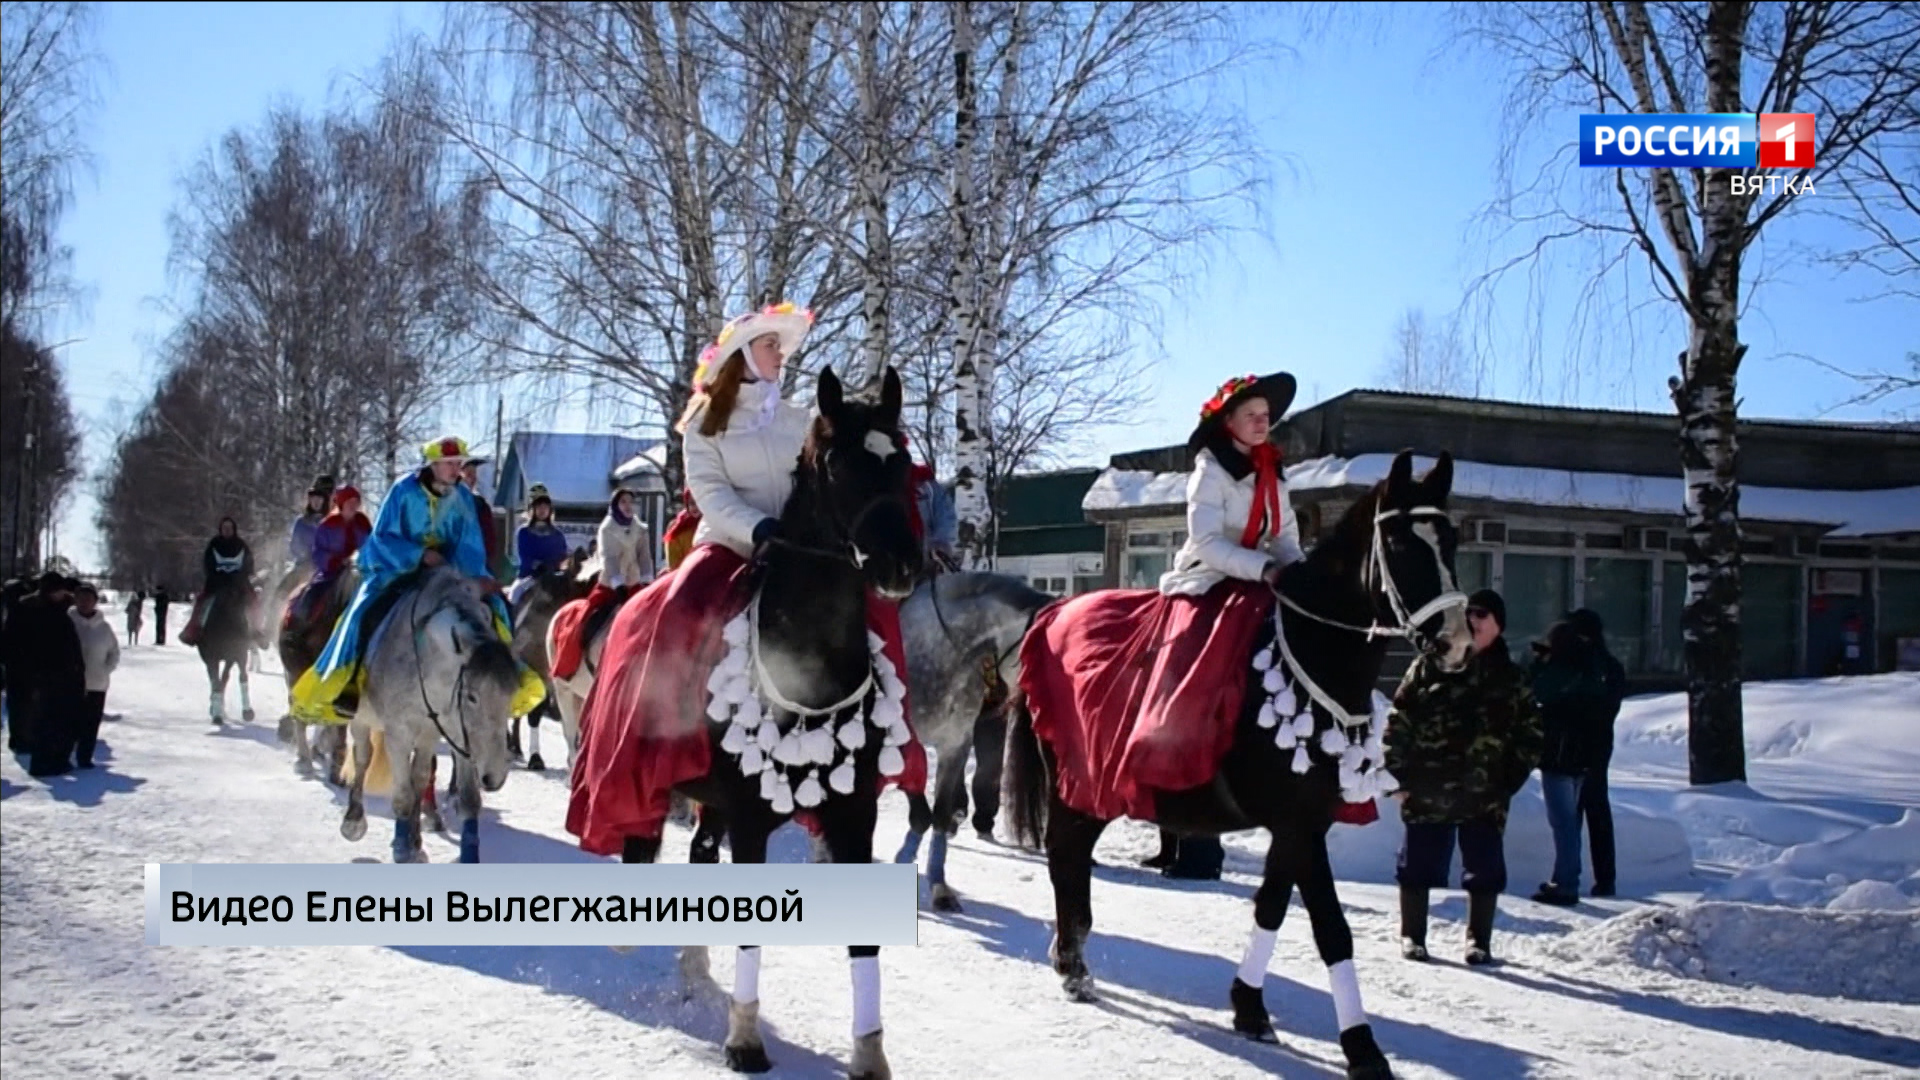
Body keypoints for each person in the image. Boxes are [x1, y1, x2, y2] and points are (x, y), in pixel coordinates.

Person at [566, 301, 928, 853]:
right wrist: (757, 528)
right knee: (675, 612)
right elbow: (711, 494)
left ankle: (890, 740)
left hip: (805, 551)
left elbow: (825, 484)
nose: (779, 357)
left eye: (780, 349)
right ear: (740, 357)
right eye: (768, 347)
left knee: (878, 618)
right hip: (731, 545)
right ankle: (662, 739)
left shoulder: (802, 420)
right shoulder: (704, 425)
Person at [1032, 372, 1307, 882]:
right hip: (1207, 582)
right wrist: (1263, 568)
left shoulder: (1273, 469)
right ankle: (1165, 762)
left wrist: (1299, 574)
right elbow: (1206, 544)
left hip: (1260, 585)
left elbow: (1285, 536)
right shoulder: (1210, 470)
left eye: (1267, 414)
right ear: (1227, 422)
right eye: (1252, 413)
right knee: (1192, 668)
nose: (1263, 420)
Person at [289, 437, 545, 724]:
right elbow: (383, 537)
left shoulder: (462, 497)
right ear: (432, 464)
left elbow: (469, 541)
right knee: (363, 612)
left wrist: (473, 576)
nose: (456, 469)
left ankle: (503, 679)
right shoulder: (403, 491)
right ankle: (349, 681)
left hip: (447, 571)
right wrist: (418, 555)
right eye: (450, 463)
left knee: (496, 608)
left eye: (458, 463)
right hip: (397, 569)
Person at [1384, 588, 1543, 965]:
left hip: (1484, 791)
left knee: (1485, 868)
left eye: (1482, 614)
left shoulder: (1511, 676)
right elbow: (1399, 718)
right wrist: (1398, 774)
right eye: (1468, 614)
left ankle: (1479, 941)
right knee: (1417, 864)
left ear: (1499, 625)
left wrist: (1508, 779)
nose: (1473, 621)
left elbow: (1531, 733)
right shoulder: (1431, 664)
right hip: (1428, 785)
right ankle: (1413, 936)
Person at [1527, 617, 1619, 906]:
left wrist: (1541, 664)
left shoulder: (1559, 673)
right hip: (1588, 756)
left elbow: (1536, 691)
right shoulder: (1597, 670)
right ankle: (1579, 878)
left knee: (1564, 822)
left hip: (1559, 756)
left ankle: (1566, 882)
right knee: (1581, 818)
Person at [1565, 607, 1626, 897]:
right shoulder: (1610, 666)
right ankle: (1605, 878)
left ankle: (1569, 874)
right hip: (1599, 745)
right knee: (1597, 811)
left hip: (1580, 745)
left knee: (1574, 813)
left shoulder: (1583, 666)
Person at [8, 572, 86, 777]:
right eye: (59, 590)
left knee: (57, 719)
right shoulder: (31, 609)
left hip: (58, 672)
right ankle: (44, 762)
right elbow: (17, 643)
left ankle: (55, 759)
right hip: (43, 674)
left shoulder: (58, 608)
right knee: (46, 720)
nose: (62, 594)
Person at [294, 486, 372, 623]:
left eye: (356, 502)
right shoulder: (328, 525)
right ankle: (298, 627)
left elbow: (371, 545)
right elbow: (318, 552)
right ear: (342, 504)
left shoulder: (363, 524)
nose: (353, 506)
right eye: (350, 503)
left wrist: (364, 559)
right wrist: (337, 561)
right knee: (311, 594)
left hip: (360, 570)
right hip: (332, 572)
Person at [67, 582, 121, 769]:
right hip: (70, 682)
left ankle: (85, 758)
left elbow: (114, 653)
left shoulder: (104, 627)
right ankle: (65, 755)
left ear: (95, 602)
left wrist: (105, 670)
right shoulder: (68, 621)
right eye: (81, 599)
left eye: (89, 599)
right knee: (70, 720)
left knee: (91, 723)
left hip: (97, 683)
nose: (84, 603)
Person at [185, 517, 256, 643]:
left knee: (253, 600)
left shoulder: (241, 545)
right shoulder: (214, 545)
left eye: (230, 528)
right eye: (225, 528)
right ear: (220, 529)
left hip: (238, 584)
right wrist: (217, 577)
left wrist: (239, 577)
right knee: (201, 601)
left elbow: (249, 564)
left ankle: (256, 630)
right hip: (216, 583)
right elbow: (208, 564)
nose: (227, 531)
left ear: (234, 530)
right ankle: (193, 630)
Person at [508, 484, 571, 606]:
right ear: (533, 509)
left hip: (553, 577)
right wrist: (538, 566)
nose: (542, 510)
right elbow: (524, 555)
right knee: (515, 595)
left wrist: (558, 566)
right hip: (529, 577)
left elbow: (562, 555)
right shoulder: (524, 532)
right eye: (539, 507)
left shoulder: (557, 534)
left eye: (545, 507)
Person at [904, 438, 959, 572]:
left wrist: (941, 543)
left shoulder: (926, 486)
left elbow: (946, 516)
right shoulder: (878, 490)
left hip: (927, 564)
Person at [460, 456, 504, 579]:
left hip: (478, 562)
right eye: (468, 473)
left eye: (474, 473)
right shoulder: (449, 501)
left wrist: (486, 558)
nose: (473, 478)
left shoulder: (480, 503)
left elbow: (489, 535)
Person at [287, 476, 334, 580]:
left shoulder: (331, 522)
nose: (316, 502)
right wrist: (305, 555)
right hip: (304, 566)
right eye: (313, 499)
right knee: (284, 588)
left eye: (319, 499)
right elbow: (294, 545)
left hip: (326, 567)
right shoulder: (301, 522)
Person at [661, 486, 700, 573]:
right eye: (692, 503)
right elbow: (673, 561)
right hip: (681, 574)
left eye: (698, 502)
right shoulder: (677, 527)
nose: (695, 507)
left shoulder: (709, 524)